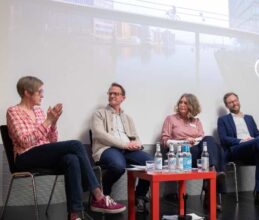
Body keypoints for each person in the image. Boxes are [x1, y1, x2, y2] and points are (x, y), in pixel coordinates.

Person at [6, 76, 125, 220]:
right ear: (27, 92)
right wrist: (48, 121)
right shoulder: (13, 112)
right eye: (39, 92)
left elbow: (51, 140)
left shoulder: (38, 111)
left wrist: (53, 123)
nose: (42, 95)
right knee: (75, 145)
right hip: (25, 157)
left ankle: (75, 214)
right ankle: (98, 195)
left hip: (43, 154)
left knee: (72, 159)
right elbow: (25, 142)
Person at [91, 82, 153, 213]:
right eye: (110, 93)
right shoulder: (99, 114)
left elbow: (135, 136)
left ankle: (140, 195)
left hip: (128, 150)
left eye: (116, 93)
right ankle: (102, 196)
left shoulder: (128, 118)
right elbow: (99, 134)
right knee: (118, 166)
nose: (112, 95)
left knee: (151, 163)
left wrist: (138, 144)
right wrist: (124, 144)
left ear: (122, 98)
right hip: (107, 149)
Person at [160, 93, 225, 210]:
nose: (182, 105)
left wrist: (194, 140)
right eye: (180, 102)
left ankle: (212, 170)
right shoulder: (171, 119)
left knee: (209, 140)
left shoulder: (196, 121)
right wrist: (184, 142)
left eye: (185, 102)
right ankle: (212, 178)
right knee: (215, 148)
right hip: (181, 155)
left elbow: (202, 138)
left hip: (197, 153)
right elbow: (164, 141)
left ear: (192, 105)